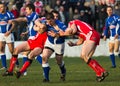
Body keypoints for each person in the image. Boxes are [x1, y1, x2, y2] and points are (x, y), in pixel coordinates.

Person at [9, 3, 42, 75]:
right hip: (32, 36)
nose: (25, 11)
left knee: (26, 54)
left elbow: (23, 19)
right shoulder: (33, 15)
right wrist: (27, 32)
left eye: (26, 9)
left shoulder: (33, 15)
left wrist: (14, 20)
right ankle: (44, 65)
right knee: (31, 54)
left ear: (31, 9)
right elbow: (33, 26)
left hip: (34, 37)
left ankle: (23, 71)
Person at [40, 12, 67, 82]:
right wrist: (40, 28)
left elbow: (65, 34)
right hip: (50, 42)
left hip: (59, 43)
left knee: (59, 62)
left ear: (53, 19)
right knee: (44, 57)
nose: (49, 23)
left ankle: (63, 72)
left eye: (50, 21)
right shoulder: (45, 22)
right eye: (47, 21)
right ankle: (46, 78)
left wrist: (57, 34)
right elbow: (37, 21)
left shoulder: (60, 24)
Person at [0, 2, 19, 70]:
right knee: (1, 49)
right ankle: (4, 66)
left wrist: (9, 31)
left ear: (5, 7)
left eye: (2, 7)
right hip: (1, 34)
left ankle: (16, 63)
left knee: (11, 50)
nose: (1, 8)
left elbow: (14, 24)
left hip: (9, 34)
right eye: (0, 7)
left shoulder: (9, 14)